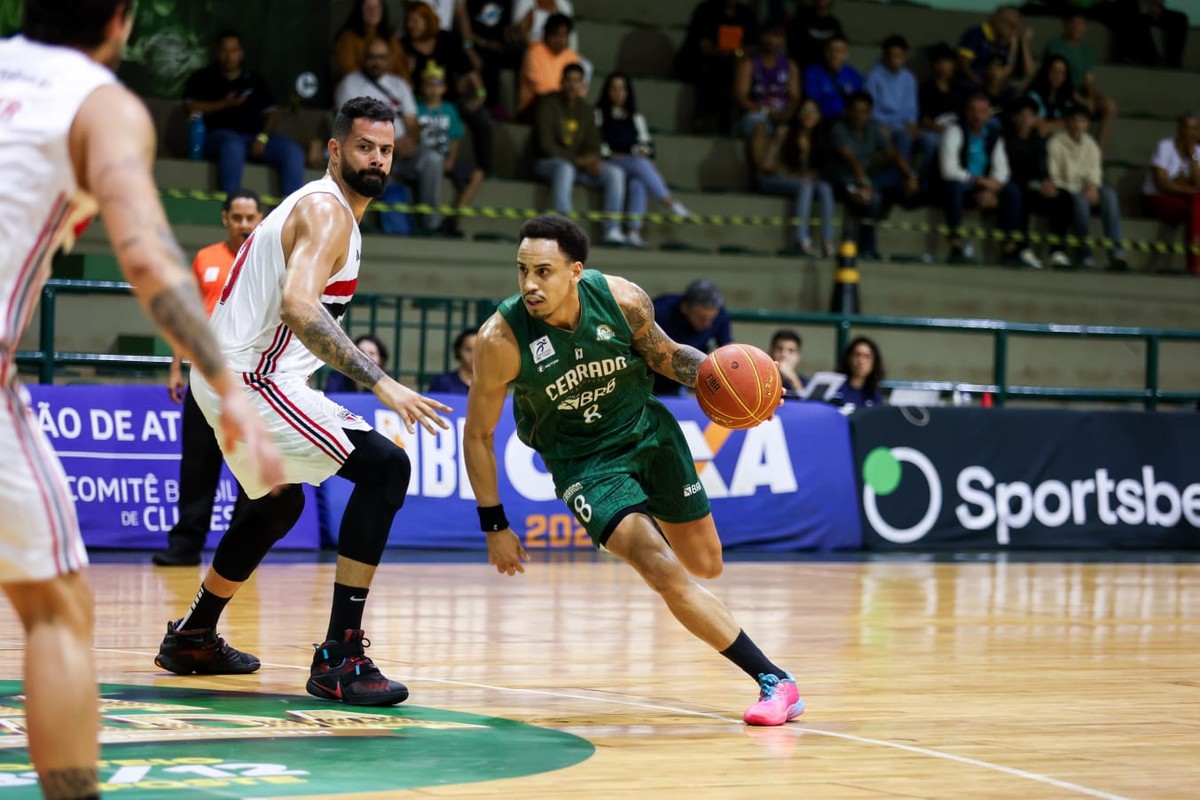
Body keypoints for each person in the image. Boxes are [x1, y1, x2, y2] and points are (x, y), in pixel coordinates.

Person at [1, 3, 282, 797]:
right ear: (121, 20)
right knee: (57, 614)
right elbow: (151, 263)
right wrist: (227, 387)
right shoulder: (100, 104)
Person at [154, 97, 452, 707]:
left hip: (240, 375)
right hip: (250, 378)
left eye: (387, 150)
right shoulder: (327, 212)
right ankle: (340, 657)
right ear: (335, 150)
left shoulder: (327, 211)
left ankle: (193, 636)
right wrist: (383, 384)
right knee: (386, 468)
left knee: (276, 506)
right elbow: (297, 305)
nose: (377, 159)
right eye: (365, 147)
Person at [463, 215, 804, 727]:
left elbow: (666, 358)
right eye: (522, 271)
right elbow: (478, 435)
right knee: (659, 565)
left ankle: (648, 515)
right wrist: (494, 523)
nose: (530, 284)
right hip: (585, 464)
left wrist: (725, 383)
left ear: (576, 271)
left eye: (544, 271)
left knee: (705, 565)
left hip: (649, 434)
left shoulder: (622, 300)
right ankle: (775, 680)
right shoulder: (500, 339)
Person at [154, 189, 265, 567]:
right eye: (237, 217)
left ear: (261, 220)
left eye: (251, 218)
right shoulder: (205, 258)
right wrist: (175, 367)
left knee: (249, 468)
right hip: (204, 379)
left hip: (252, 382)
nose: (245, 225)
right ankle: (185, 545)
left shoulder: (270, 261)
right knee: (198, 465)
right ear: (225, 219)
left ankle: (239, 549)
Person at [183, 29, 306, 198]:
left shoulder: (255, 80)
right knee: (233, 145)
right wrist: (225, 104)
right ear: (218, 53)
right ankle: (232, 206)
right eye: (224, 50)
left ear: (241, 53)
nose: (229, 56)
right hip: (218, 138)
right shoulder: (203, 77)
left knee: (292, 151)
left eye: (233, 51)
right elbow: (191, 108)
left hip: (254, 139)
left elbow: (272, 113)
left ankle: (293, 211)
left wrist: (262, 138)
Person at [532, 63, 626, 245]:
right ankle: (564, 231)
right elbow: (546, 145)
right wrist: (578, 160)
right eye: (569, 80)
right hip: (548, 163)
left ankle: (612, 230)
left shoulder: (587, 109)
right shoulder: (548, 104)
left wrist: (592, 159)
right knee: (565, 168)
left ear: (583, 84)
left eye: (577, 81)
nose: (573, 85)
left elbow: (594, 143)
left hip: (578, 166)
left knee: (615, 173)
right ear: (562, 82)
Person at [595, 72, 691, 247]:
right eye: (613, 88)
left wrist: (637, 150)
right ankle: (670, 202)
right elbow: (596, 142)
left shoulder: (635, 117)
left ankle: (633, 232)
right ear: (607, 91)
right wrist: (617, 152)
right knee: (639, 164)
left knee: (639, 181)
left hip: (631, 162)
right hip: (609, 162)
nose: (618, 93)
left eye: (622, 88)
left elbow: (647, 145)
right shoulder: (599, 113)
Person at [402, 1, 493, 176]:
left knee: (481, 119)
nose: (410, 25)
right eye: (408, 20)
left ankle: (485, 170)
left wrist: (479, 96)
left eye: (415, 20)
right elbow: (400, 86)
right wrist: (407, 71)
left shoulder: (446, 39)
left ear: (427, 20)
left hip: (450, 101)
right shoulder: (402, 45)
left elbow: (470, 73)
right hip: (419, 102)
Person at [825, 92, 920, 260]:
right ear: (848, 112)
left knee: (897, 180)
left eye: (865, 112)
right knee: (873, 198)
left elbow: (892, 153)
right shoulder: (838, 129)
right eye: (856, 111)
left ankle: (887, 203)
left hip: (867, 178)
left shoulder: (872, 128)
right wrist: (866, 184)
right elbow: (852, 162)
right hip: (842, 179)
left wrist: (911, 176)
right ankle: (867, 249)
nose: (860, 117)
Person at [938, 93, 1022, 264]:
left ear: (988, 114)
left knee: (1012, 190)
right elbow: (948, 170)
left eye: (982, 112)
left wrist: (990, 189)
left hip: (983, 189)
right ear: (967, 112)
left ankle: (1009, 249)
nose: (977, 116)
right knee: (954, 186)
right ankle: (956, 246)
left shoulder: (993, 135)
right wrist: (979, 181)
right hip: (961, 187)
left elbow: (1002, 171)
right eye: (973, 111)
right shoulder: (954, 131)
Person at [1048, 104, 1129, 271]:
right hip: (1068, 191)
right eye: (1075, 120)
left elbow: (1095, 171)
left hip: (1087, 189)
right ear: (1067, 122)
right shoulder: (1055, 143)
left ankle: (1117, 253)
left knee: (1109, 194)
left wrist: (1092, 185)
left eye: (1083, 121)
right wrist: (1079, 189)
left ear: (1087, 124)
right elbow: (1054, 176)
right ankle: (1086, 256)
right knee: (1079, 201)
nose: (1078, 125)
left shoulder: (1091, 144)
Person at [757, 99, 836, 256]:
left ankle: (828, 241)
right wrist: (791, 174)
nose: (809, 115)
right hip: (773, 178)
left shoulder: (819, 139)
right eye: (805, 111)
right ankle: (802, 240)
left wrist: (809, 174)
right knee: (805, 186)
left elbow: (821, 169)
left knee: (825, 188)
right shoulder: (785, 132)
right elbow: (767, 166)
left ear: (819, 117)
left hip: (800, 180)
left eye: (813, 111)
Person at [416, 60, 486, 234]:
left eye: (437, 84)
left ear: (444, 88)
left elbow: (455, 137)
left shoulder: (449, 109)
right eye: (429, 84)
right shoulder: (417, 109)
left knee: (477, 174)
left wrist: (451, 159)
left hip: (446, 158)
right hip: (425, 159)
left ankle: (454, 217)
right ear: (423, 87)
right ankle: (431, 219)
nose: (433, 88)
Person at [1003, 97, 1072, 269]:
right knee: (1020, 195)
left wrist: (1047, 184)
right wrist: (1035, 185)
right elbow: (1009, 173)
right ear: (1014, 118)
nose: (1027, 119)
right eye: (1023, 115)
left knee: (1064, 197)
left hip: (1037, 188)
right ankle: (1023, 248)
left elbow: (1042, 169)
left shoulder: (1038, 141)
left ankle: (1057, 251)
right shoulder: (1006, 140)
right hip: (1016, 188)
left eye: (1031, 116)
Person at [676, 0, 758, 134]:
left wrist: (735, 53)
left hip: (734, 64)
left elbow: (752, 46)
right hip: (701, 63)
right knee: (716, 71)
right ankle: (704, 118)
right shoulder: (705, 11)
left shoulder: (747, 14)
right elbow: (704, 47)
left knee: (737, 71)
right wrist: (732, 51)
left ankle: (728, 124)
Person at [735, 20, 801, 182]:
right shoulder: (749, 63)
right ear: (761, 36)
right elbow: (741, 98)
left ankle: (783, 172)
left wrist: (787, 113)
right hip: (757, 113)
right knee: (759, 126)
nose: (772, 40)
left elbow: (794, 96)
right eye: (768, 35)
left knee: (790, 127)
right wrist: (767, 112)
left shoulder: (789, 65)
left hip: (781, 113)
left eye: (777, 36)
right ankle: (760, 174)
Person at [1042, 11, 1117, 149]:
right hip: (1063, 91)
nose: (1077, 27)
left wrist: (1091, 97)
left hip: (1081, 91)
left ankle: (1097, 151)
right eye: (1074, 23)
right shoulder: (1055, 45)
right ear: (1066, 25)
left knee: (1109, 106)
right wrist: (1078, 98)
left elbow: (1089, 79)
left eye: (1081, 23)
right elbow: (1055, 76)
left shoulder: (1086, 50)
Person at [1142, 113, 1200, 275]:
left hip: (1185, 202)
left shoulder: (1197, 152)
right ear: (1179, 129)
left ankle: (1195, 262)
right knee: (1196, 205)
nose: (1190, 133)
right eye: (1186, 128)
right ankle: (1195, 262)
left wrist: (1193, 157)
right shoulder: (1165, 146)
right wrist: (1190, 191)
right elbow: (1162, 185)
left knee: (1196, 205)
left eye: (1194, 129)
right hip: (1155, 200)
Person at [865, 35, 920, 161]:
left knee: (921, 139)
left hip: (902, 124)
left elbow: (912, 108)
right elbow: (869, 108)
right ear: (885, 56)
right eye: (892, 55)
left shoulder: (909, 78)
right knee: (898, 137)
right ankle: (898, 176)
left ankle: (910, 177)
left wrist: (912, 123)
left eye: (899, 56)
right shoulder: (873, 76)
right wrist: (882, 124)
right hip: (880, 123)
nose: (895, 59)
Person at [518, 12, 581, 120]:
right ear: (546, 34)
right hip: (534, 106)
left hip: (563, 104)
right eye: (556, 35)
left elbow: (578, 87)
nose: (561, 40)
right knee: (548, 104)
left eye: (564, 36)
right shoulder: (534, 53)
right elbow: (541, 90)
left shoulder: (571, 57)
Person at [917, 43, 962, 189]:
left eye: (946, 62)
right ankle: (924, 186)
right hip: (933, 132)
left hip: (956, 131)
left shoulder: (961, 88)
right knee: (930, 143)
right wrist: (941, 130)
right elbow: (924, 120)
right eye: (938, 63)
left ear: (953, 64)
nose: (942, 66)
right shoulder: (926, 88)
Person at [957, 5, 1035, 88]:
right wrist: (982, 85)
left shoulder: (1011, 41)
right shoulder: (975, 34)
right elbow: (963, 65)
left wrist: (1022, 44)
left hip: (998, 89)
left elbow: (1029, 72)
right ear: (997, 21)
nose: (1014, 31)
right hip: (974, 86)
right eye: (1010, 26)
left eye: (1016, 27)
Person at [333, 0, 410, 82]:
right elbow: (347, 71)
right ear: (360, 11)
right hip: (358, 89)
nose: (373, 11)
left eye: (377, 7)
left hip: (389, 91)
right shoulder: (347, 39)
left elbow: (403, 74)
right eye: (368, 7)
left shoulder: (392, 41)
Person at [1107, 0, 1188, 69]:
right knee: (1131, 8)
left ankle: (1172, 64)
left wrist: (1155, 7)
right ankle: (1150, 59)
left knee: (1180, 19)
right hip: (1124, 8)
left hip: (1146, 9)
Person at [803, 36, 862, 121]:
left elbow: (859, 101)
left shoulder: (853, 74)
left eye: (840, 51)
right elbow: (812, 100)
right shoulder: (813, 72)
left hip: (849, 121)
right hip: (823, 119)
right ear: (825, 52)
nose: (835, 55)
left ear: (846, 54)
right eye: (831, 50)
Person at [1025, 55, 1074, 137]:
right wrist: (1055, 125)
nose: (1057, 76)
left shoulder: (1068, 97)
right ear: (1047, 72)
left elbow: (1069, 121)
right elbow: (1035, 120)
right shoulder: (1033, 95)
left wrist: (1049, 126)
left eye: (1062, 73)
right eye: (1054, 71)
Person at [787, 0, 845, 68]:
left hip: (825, 73)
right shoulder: (799, 19)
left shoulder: (834, 24)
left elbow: (840, 48)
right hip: (803, 70)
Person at [325, 334, 390, 393]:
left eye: (372, 353)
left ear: (381, 359)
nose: (366, 357)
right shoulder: (337, 378)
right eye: (361, 352)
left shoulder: (387, 382)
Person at [835, 336, 884, 408]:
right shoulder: (836, 389)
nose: (861, 361)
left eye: (867, 357)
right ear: (849, 359)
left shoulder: (874, 394)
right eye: (857, 355)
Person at [428, 327, 478, 394]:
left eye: (480, 350)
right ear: (458, 351)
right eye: (469, 350)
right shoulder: (443, 383)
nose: (474, 355)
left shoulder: (494, 384)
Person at [769, 329, 806, 396]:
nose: (784, 355)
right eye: (779, 349)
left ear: (798, 357)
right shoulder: (759, 379)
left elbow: (807, 403)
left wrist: (793, 380)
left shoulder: (804, 382)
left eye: (791, 351)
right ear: (770, 353)